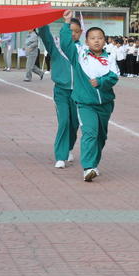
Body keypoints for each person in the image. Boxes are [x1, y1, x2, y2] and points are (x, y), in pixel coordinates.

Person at [60, 10, 119, 182]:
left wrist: (101, 82)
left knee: (101, 136)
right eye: (92, 38)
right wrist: (66, 23)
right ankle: (88, 168)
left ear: (104, 40)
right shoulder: (80, 54)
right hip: (85, 103)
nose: (96, 40)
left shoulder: (110, 57)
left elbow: (114, 76)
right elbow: (65, 44)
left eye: (100, 38)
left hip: (106, 104)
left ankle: (94, 163)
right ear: (86, 41)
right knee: (90, 132)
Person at [38, 19, 82, 168]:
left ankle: (69, 147)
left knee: (75, 123)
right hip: (61, 92)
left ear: (81, 33)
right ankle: (60, 157)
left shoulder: (82, 50)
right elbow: (45, 35)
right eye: (70, 31)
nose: (73, 34)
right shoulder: (56, 47)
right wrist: (42, 20)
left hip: (78, 93)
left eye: (76, 31)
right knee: (64, 121)